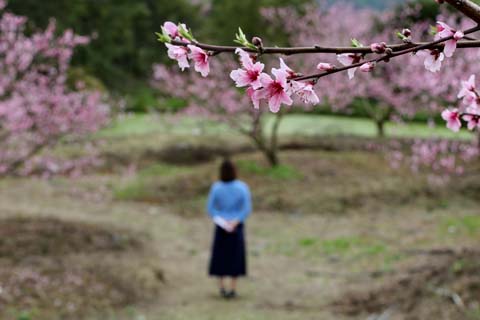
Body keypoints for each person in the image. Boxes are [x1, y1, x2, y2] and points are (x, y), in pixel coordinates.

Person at [207, 159, 252, 299]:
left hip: (221, 226)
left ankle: (221, 287)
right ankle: (232, 288)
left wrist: (222, 221)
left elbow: (210, 208)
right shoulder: (242, 187)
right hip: (236, 226)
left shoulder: (216, 187)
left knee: (220, 256)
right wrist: (235, 221)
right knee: (235, 257)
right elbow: (246, 208)